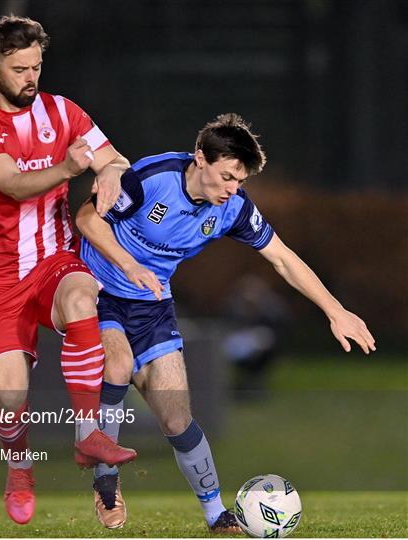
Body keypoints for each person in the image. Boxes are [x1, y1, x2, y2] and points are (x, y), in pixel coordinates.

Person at [76, 113, 376, 532]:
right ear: (200, 158)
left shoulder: (233, 208)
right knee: (118, 364)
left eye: (240, 181)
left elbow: (283, 258)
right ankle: (105, 482)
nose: (233, 189)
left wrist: (334, 310)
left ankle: (217, 514)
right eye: (228, 176)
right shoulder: (152, 177)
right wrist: (127, 265)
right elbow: (87, 220)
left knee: (177, 418)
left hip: (153, 305)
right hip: (99, 292)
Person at [0, 15, 137, 526]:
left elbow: (115, 158)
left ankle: (87, 436)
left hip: (55, 260)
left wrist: (112, 176)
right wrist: (70, 169)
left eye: (36, 66)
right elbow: (11, 183)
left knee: (83, 296)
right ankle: (19, 467)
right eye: (18, 69)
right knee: (10, 402)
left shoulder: (64, 112)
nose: (30, 77)